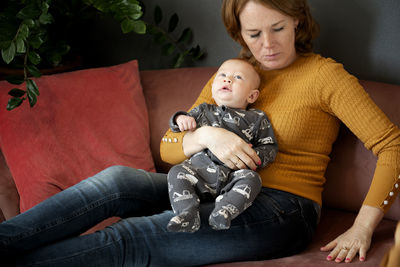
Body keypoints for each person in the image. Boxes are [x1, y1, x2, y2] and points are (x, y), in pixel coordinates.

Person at [0, 0, 399, 266]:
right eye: (253, 34)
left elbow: (392, 146)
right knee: (116, 180)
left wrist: (363, 226)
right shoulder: (232, 74)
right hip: (209, 184)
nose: (267, 45)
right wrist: (208, 137)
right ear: (239, 33)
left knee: (133, 238)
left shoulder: (325, 75)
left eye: (277, 28)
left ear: (297, 19)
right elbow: (171, 146)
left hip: (282, 208)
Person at [166, 59, 277, 232]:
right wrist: (180, 119)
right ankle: (188, 213)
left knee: (253, 179)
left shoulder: (257, 118)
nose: (227, 80)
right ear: (212, 87)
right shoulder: (203, 110)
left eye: (238, 77)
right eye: (223, 75)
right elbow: (175, 128)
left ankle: (224, 211)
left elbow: (269, 147)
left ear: (252, 96)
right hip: (198, 174)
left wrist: (252, 157)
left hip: (233, 177)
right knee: (176, 171)